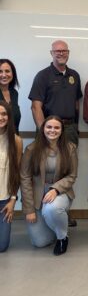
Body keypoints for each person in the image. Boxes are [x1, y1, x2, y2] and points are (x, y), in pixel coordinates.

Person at [28, 40, 82, 227]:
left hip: (69, 128)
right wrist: (45, 130)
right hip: (49, 129)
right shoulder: (42, 76)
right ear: (51, 53)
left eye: (64, 51)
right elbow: (36, 106)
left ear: (68, 53)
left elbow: (76, 104)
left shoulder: (74, 75)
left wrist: (75, 126)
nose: (60, 53)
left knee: (68, 170)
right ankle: (42, 208)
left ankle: (63, 211)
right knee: (44, 171)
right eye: (57, 51)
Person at [20, 115, 78, 256]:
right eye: (49, 127)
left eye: (56, 127)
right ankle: (56, 226)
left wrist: (55, 189)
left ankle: (62, 237)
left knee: (52, 209)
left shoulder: (70, 148)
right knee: (40, 242)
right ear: (43, 129)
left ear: (61, 131)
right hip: (37, 196)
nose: (53, 130)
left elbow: (72, 175)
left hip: (61, 193)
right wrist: (29, 209)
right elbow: (25, 178)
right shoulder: (31, 149)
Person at [0, 101, 23, 252]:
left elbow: (17, 172)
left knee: (2, 246)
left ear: (9, 117)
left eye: (3, 114)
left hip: (4, 201)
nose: (0, 117)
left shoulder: (16, 140)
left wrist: (13, 199)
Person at [0, 59, 21, 133]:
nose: (4, 75)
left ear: (13, 73)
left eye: (7, 71)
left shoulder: (14, 93)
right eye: (0, 71)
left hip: (14, 140)